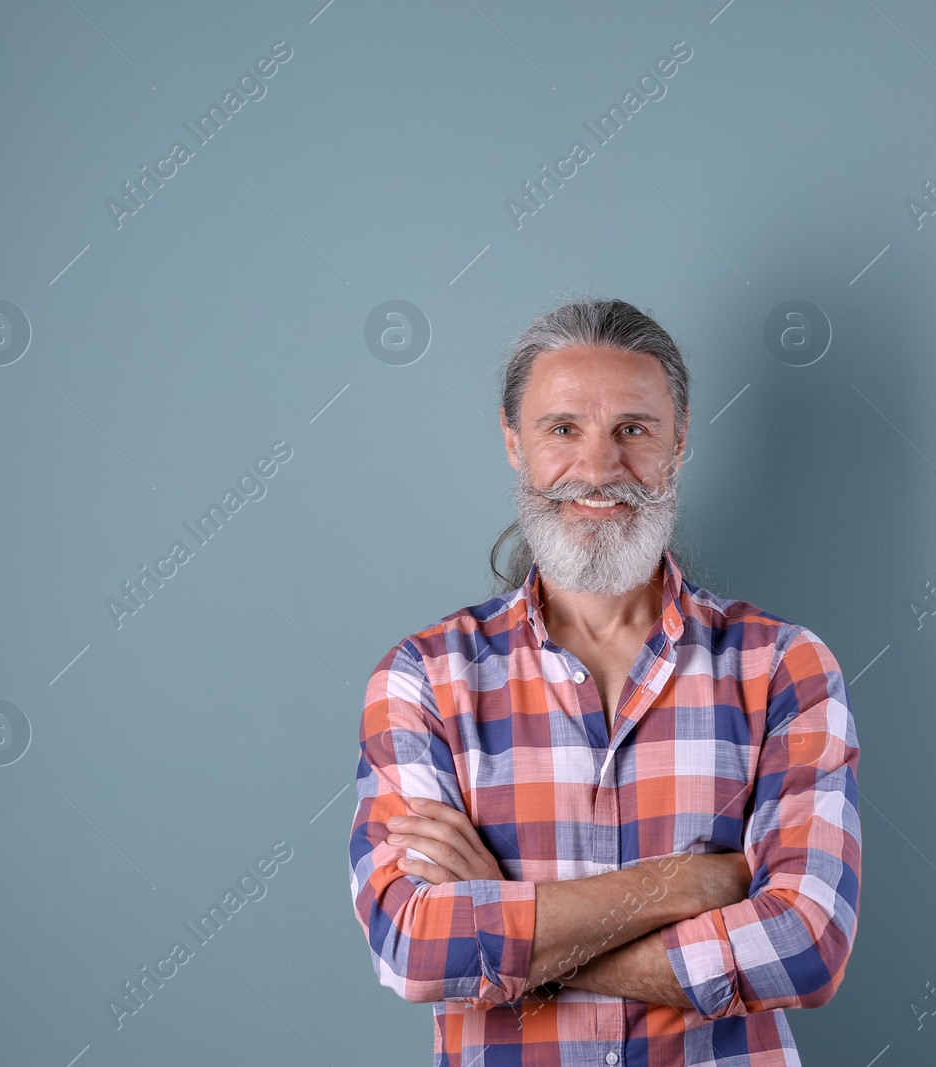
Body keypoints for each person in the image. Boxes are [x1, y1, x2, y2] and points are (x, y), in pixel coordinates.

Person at [348, 296, 862, 1065]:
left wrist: (505, 920)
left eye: (634, 429)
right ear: (513, 441)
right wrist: (683, 884)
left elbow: (807, 946)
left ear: (679, 442)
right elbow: (412, 948)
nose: (597, 468)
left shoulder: (783, 667)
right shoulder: (423, 679)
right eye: (563, 429)